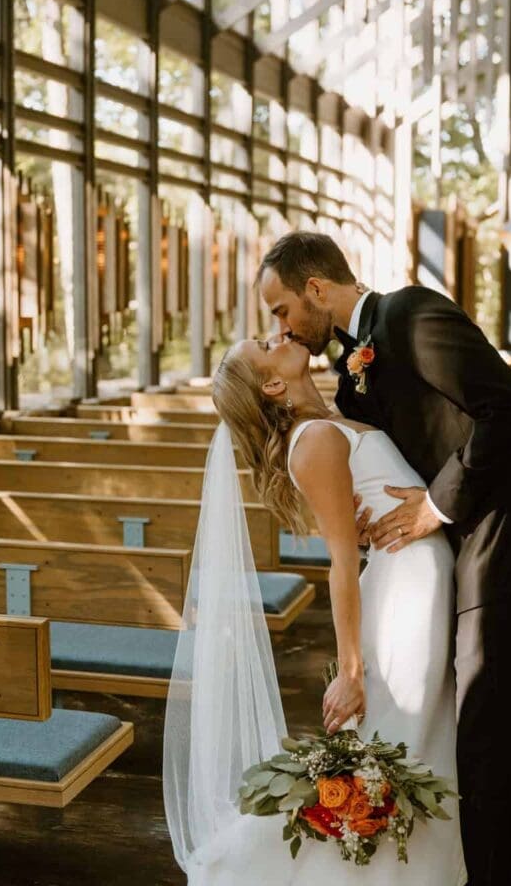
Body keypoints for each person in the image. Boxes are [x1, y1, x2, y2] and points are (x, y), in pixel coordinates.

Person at [256, 232, 511, 886]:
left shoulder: (410, 312)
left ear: (316, 288)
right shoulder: (351, 380)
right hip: (459, 563)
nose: (283, 327)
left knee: (495, 753)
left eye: (282, 309)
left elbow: (508, 409)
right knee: (475, 748)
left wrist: (435, 504)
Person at [163, 332, 467, 885]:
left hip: (415, 576)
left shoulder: (328, 422)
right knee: (403, 743)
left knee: (415, 739)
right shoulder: (315, 440)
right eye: (265, 344)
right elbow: (341, 562)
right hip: (406, 592)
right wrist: (350, 670)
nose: (278, 333)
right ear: (272, 384)